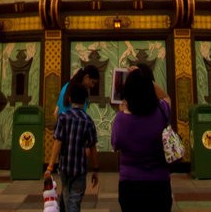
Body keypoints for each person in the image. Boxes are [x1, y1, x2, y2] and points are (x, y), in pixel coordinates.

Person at [109, 64, 173, 212]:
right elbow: (165, 97)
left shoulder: (120, 120)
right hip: (159, 183)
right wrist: (144, 78)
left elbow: (115, 144)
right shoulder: (162, 111)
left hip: (130, 184)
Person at [47, 65, 100, 212]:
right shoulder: (87, 119)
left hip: (65, 156)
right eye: (93, 82)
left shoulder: (66, 87)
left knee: (66, 191)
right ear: (87, 77)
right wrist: (88, 150)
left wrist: (51, 164)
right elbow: (91, 142)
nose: (92, 86)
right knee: (74, 198)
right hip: (77, 155)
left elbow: (56, 113)